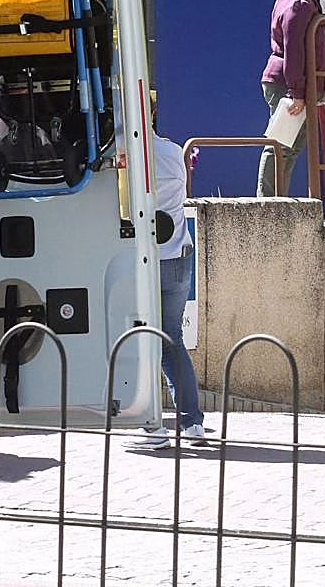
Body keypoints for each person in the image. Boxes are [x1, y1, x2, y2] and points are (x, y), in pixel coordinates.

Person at [139, 98, 207, 448]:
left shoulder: (125, 155)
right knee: (171, 341)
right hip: (178, 256)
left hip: (143, 261)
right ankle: (192, 424)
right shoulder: (172, 152)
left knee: (136, 341)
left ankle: (152, 427)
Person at [257, 0, 325, 196]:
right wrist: (296, 92)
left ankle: (275, 201)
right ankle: (268, 203)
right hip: (290, 84)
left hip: (297, 83)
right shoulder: (298, 2)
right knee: (281, 146)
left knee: (290, 147)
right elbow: (294, 50)